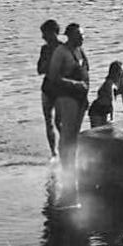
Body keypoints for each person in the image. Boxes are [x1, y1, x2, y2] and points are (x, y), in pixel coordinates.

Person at [45, 22, 91, 168]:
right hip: (67, 97)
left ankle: (73, 161)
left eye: (83, 35)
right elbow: (53, 77)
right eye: (79, 35)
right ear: (70, 36)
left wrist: (85, 95)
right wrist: (76, 85)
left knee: (75, 133)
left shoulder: (80, 51)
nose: (82, 37)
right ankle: (65, 166)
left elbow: (86, 72)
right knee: (67, 133)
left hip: (81, 97)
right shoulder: (61, 52)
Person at [36, 19, 62, 157]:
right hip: (47, 88)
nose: (43, 37)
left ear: (53, 33)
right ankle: (54, 153)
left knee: (60, 122)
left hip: (61, 88)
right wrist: (47, 63)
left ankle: (66, 148)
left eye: (44, 33)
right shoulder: (44, 49)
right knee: (48, 120)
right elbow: (39, 70)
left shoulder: (64, 48)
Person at [89, 61, 123, 128]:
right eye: (120, 72)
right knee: (98, 132)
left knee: (108, 133)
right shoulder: (109, 84)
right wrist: (112, 118)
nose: (122, 74)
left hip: (107, 110)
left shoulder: (122, 82)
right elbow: (112, 101)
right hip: (97, 110)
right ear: (114, 72)